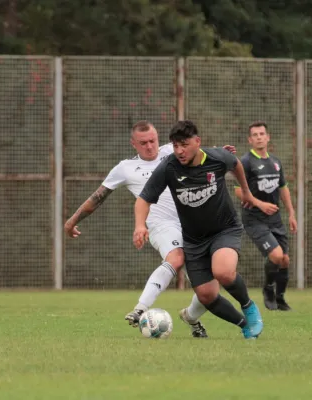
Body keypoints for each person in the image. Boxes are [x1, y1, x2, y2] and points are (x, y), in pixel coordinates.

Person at [65, 120, 220, 338]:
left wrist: (222, 153)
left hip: (192, 224)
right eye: (143, 143)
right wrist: (72, 220)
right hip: (161, 226)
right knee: (176, 257)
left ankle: (191, 317)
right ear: (134, 144)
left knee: (210, 290)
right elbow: (97, 197)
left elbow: (201, 153)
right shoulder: (125, 168)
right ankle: (140, 309)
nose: (149, 146)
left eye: (152, 140)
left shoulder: (172, 151)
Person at [134, 120, 264, 339]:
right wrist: (140, 225)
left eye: (184, 145)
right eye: (176, 146)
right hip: (194, 240)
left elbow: (235, 164)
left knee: (223, 271)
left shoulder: (216, 157)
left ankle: (248, 306)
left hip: (224, 229)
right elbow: (143, 200)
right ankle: (244, 325)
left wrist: (247, 193)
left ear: (197, 142)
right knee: (206, 295)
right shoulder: (169, 167)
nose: (179, 151)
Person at [234, 121, 297, 311]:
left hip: (275, 219)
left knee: (284, 260)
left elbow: (283, 188)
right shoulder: (245, 162)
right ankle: (268, 289)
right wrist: (259, 204)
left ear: (268, 137)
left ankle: (280, 298)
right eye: (255, 135)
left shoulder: (275, 162)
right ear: (250, 140)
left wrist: (291, 213)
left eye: (262, 134)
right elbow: (238, 191)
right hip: (254, 219)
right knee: (276, 256)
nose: (259, 137)